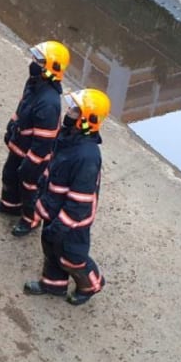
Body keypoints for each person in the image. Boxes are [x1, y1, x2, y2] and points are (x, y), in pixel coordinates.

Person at [23, 88, 110, 306]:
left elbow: (80, 200)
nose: (69, 112)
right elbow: (52, 169)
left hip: (72, 221)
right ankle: (53, 284)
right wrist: (41, 195)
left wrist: (63, 224)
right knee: (51, 248)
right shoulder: (68, 138)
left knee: (73, 257)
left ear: (87, 119)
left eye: (75, 110)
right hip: (54, 209)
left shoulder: (87, 156)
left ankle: (91, 284)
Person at [0, 41, 69, 238]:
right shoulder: (34, 83)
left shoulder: (49, 102)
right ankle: (10, 205)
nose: (33, 63)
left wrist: (32, 162)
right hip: (19, 146)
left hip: (33, 156)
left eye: (39, 61)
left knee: (30, 188)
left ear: (51, 68)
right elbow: (22, 107)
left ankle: (30, 219)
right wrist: (11, 125)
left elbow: (44, 140)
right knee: (10, 175)